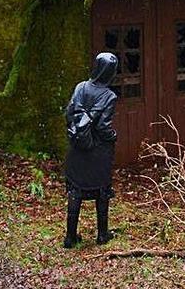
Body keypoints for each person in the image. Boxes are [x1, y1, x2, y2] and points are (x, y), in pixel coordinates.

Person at [63, 52, 118, 248]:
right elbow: (103, 127)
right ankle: (102, 234)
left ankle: (70, 237)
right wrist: (113, 136)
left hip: (78, 148)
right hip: (98, 151)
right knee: (101, 190)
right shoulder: (109, 96)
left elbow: (69, 112)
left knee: (75, 190)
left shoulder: (80, 87)